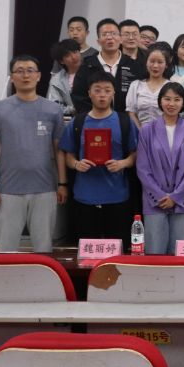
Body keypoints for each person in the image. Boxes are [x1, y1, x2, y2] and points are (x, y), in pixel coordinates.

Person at [0, 55, 66, 253]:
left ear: (39, 76)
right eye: (19, 71)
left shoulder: (53, 110)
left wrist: (63, 184)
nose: (25, 75)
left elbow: (59, 150)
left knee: (44, 249)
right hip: (8, 189)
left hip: (45, 189)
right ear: (12, 77)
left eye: (30, 70)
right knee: (6, 249)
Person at [60, 70, 139, 245]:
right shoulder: (77, 122)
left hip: (117, 196)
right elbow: (68, 156)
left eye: (107, 90)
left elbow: (135, 154)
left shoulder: (124, 122)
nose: (102, 95)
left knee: (117, 249)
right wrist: (76, 164)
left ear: (113, 93)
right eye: (97, 90)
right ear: (89, 93)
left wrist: (123, 163)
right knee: (87, 250)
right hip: (85, 196)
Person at [136, 82, 184, 255]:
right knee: (154, 253)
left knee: (180, 255)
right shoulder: (147, 130)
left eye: (177, 99)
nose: (171, 104)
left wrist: (176, 196)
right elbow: (142, 168)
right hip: (154, 201)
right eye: (167, 99)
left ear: (183, 102)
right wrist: (159, 195)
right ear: (160, 101)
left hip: (183, 200)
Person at [71, 18, 146, 114]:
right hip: (94, 119)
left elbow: (140, 97)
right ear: (98, 41)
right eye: (105, 34)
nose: (110, 37)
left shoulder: (134, 66)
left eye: (114, 34)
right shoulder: (87, 65)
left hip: (126, 119)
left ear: (120, 39)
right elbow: (79, 97)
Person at [125, 44, 173, 128]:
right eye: (152, 61)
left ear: (166, 65)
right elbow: (131, 113)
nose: (155, 66)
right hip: (140, 132)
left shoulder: (171, 87)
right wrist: (141, 131)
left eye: (160, 62)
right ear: (146, 62)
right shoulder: (136, 85)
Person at [47, 39, 81, 117]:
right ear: (61, 61)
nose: (74, 57)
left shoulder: (93, 71)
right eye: (67, 55)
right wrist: (73, 109)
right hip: (73, 119)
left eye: (75, 52)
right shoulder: (56, 80)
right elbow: (54, 106)